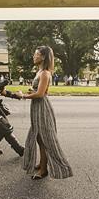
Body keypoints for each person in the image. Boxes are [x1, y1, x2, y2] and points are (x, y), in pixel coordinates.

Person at [21, 46, 73, 180]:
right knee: (39, 138)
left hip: (42, 108)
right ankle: (42, 163)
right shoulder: (39, 72)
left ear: (43, 57)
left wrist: (23, 96)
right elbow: (41, 90)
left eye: (36, 54)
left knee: (44, 139)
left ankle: (44, 170)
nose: (34, 56)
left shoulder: (45, 73)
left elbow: (40, 94)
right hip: (37, 107)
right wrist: (31, 91)